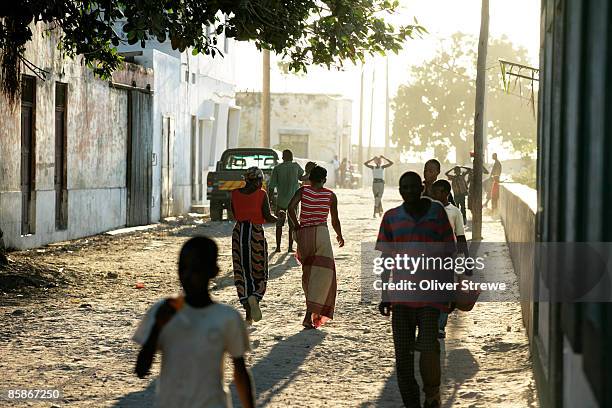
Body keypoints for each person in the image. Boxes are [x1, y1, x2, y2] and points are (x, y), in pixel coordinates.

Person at [133, 236, 255, 408]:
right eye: (182, 269)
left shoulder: (227, 318)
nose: (187, 276)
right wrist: (157, 327)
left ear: (213, 271)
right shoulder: (163, 312)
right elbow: (141, 370)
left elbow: (240, 371)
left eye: (196, 270)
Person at [377, 171, 456, 408]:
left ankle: (432, 395)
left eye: (413, 187)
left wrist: (449, 289)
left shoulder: (437, 213)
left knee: (429, 349)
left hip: (431, 297)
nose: (409, 191)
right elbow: (385, 259)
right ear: (400, 190)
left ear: (421, 187)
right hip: (401, 299)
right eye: (404, 188)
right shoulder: (391, 217)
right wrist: (384, 294)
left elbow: (448, 253)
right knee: (403, 359)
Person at [288, 166, 344, 329]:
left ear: (310, 179)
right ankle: (309, 315)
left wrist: (297, 226)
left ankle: (309, 313)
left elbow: (290, 208)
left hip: (304, 235)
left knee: (308, 274)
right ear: (324, 180)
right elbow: (335, 220)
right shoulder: (330, 195)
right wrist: (339, 235)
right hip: (321, 235)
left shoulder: (303, 191)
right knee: (323, 277)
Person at [231, 167, 277, 324]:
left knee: (242, 270)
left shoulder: (235, 194)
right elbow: (267, 216)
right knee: (259, 270)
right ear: (257, 180)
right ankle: (255, 298)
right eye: (260, 181)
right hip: (255, 234)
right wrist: (280, 219)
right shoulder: (261, 194)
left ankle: (248, 312)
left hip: (238, 234)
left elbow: (234, 214)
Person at [431, 179, 469, 339]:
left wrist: (466, 261)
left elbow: (460, 237)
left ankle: (440, 325)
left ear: (446, 193)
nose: (434, 195)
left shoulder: (455, 212)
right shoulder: (428, 210)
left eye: (437, 192)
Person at [268, 149, 304, 253]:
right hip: (294, 201)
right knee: (292, 225)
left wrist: (269, 200)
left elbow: (271, 186)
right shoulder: (296, 166)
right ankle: (290, 247)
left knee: (279, 224)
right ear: (292, 157)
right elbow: (302, 177)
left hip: (281, 201)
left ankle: (278, 247)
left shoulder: (277, 168)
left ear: (283, 158)